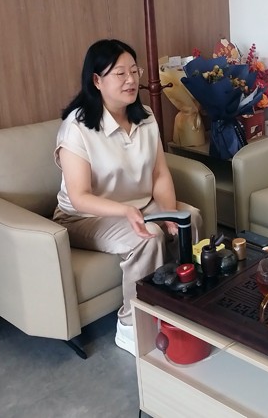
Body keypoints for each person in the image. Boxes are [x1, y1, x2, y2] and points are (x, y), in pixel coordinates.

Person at [53, 39, 202, 356]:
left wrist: (169, 212)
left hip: (139, 204)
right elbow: (79, 197)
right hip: (86, 215)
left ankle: (181, 302)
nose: (131, 80)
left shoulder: (145, 116)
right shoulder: (77, 128)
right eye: (120, 73)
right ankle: (131, 325)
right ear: (97, 80)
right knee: (147, 237)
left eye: (134, 71)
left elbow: (159, 174)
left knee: (189, 220)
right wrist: (124, 211)